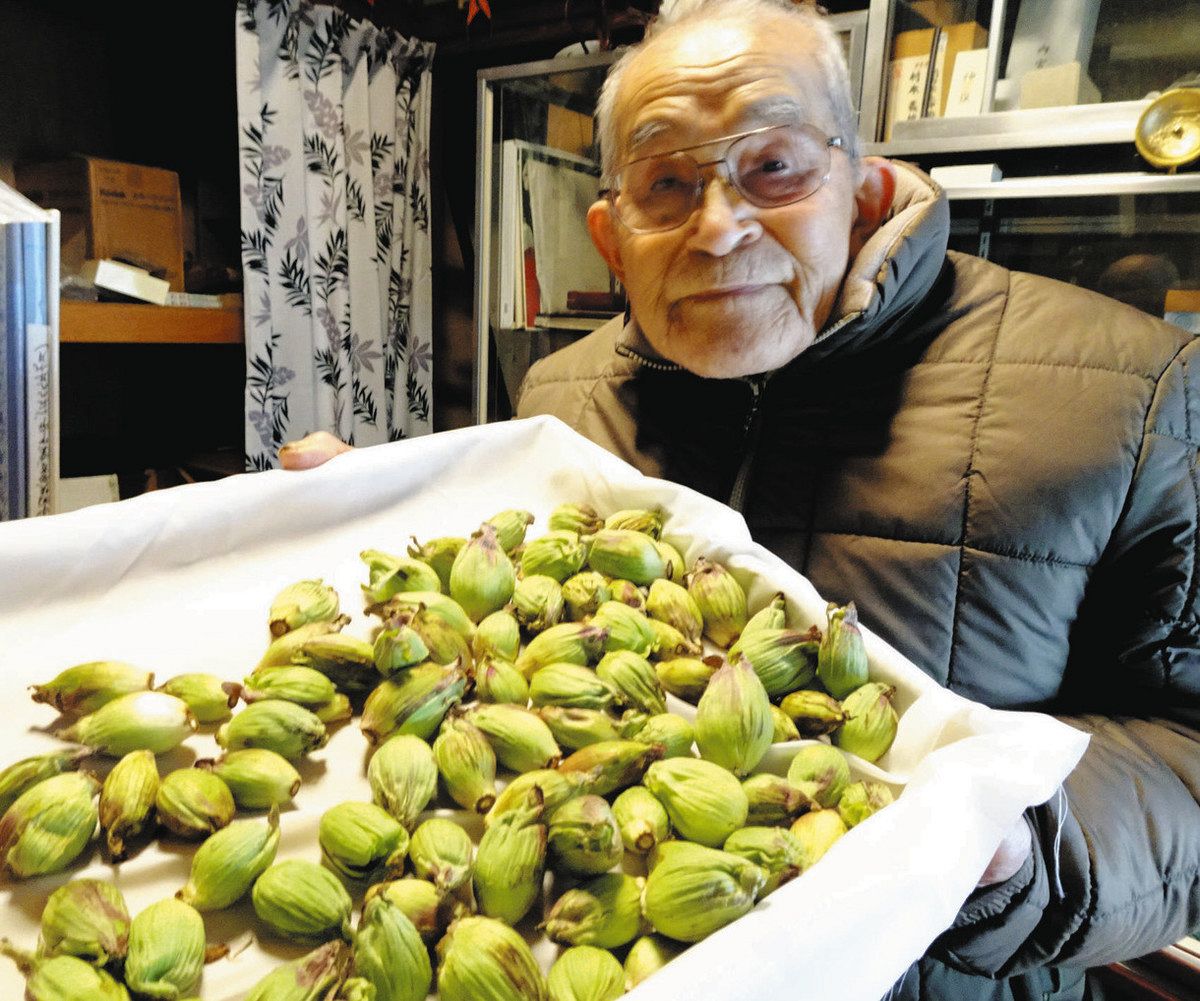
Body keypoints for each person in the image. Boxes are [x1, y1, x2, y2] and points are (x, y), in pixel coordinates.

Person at [285, 1, 1200, 997]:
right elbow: (511, 669)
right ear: (610, 233)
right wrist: (387, 542)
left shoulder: (1135, 393)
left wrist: (1012, 846)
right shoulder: (561, 396)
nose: (718, 228)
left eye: (774, 165)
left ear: (862, 187)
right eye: (666, 181)